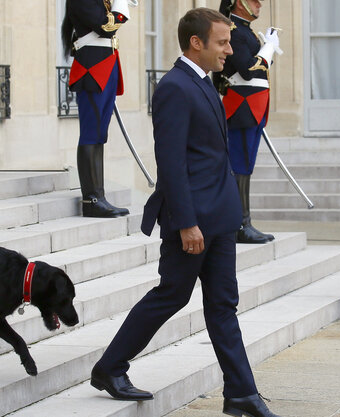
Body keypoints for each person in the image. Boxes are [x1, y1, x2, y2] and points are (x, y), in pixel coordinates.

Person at [89, 8, 280, 417]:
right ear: (197, 43)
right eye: (223, 42)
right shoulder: (175, 87)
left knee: (223, 304)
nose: (231, 50)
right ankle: (109, 367)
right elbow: (171, 162)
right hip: (193, 220)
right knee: (171, 295)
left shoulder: (206, 83)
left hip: (221, 216)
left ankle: (242, 394)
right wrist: (188, 222)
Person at [212, 0, 280, 244]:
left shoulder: (245, 31)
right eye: (253, 1)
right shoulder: (235, 32)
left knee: (245, 165)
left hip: (252, 104)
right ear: (239, 3)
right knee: (240, 165)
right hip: (243, 105)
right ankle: (241, 223)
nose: (259, 4)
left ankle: (242, 221)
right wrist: (268, 49)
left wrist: (267, 49)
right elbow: (248, 70)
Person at [61, 0, 131, 218]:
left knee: (99, 135)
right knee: (91, 134)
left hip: (106, 64)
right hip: (93, 68)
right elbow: (104, 26)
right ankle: (91, 199)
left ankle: (99, 196)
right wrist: (121, 5)